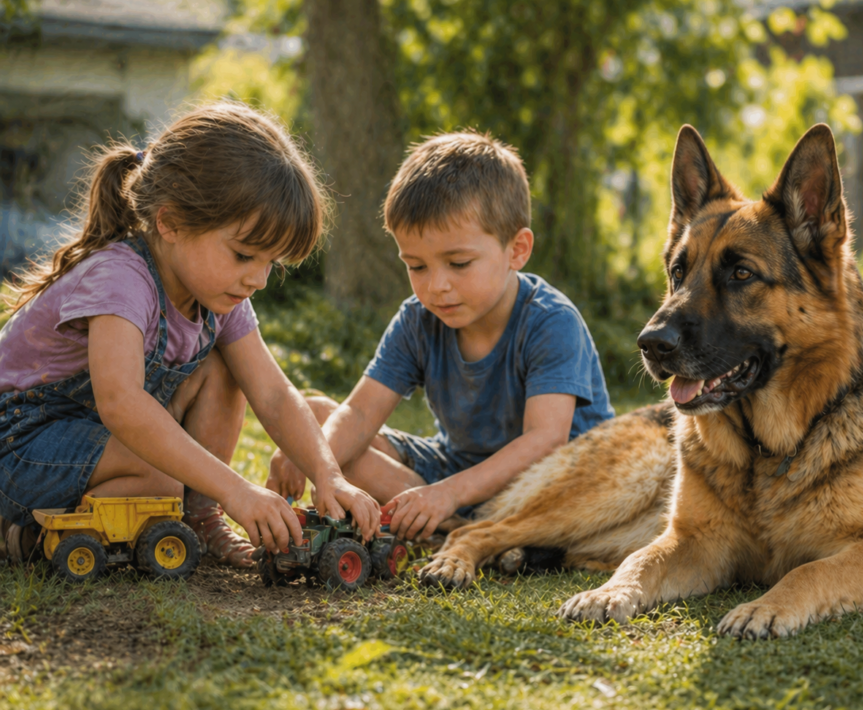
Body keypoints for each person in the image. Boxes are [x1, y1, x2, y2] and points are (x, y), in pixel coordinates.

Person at [0, 102, 379, 567]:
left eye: (270, 263)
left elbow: (275, 394)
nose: (258, 279)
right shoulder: (121, 278)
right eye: (244, 255)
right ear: (170, 221)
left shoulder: (219, 296)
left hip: (96, 436)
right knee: (158, 477)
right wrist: (237, 489)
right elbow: (121, 403)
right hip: (21, 440)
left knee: (225, 367)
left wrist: (328, 474)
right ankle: (29, 532)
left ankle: (198, 516)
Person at [266, 131, 615, 542]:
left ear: (517, 250)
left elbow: (545, 441)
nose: (436, 286)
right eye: (417, 266)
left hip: (551, 485)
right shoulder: (419, 319)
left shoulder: (551, 321)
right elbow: (360, 413)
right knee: (317, 419)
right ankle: (456, 526)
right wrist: (313, 459)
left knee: (327, 440)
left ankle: (468, 524)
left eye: (459, 263)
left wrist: (448, 493)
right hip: (455, 469)